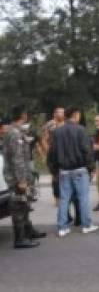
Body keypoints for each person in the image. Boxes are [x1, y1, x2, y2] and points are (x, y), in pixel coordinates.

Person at [47, 107, 97, 237]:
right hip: (80, 168)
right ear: (76, 115)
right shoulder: (80, 130)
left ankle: (62, 227)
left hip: (63, 170)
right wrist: (92, 168)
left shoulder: (57, 132)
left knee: (64, 199)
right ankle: (86, 225)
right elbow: (87, 150)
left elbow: (51, 153)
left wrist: (54, 171)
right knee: (83, 198)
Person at [3, 106, 46, 248]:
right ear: (23, 115)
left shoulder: (16, 132)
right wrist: (21, 180)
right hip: (17, 178)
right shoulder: (14, 133)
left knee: (25, 203)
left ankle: (28, 231)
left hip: (22, 175)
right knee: (18, 206)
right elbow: (17, 159)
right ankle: (20, 239)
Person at [40, 107, 66, 208]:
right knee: (55, 177)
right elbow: (43, 139)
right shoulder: (50, 124)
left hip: (65, 154)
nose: (62, 114)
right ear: (55, 114)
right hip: (53, 155)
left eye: (63, 112)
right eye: (60, 112)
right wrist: (48, 152)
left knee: (65, 175)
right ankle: (57, 198)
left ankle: (66, 196)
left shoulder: (67, 124)